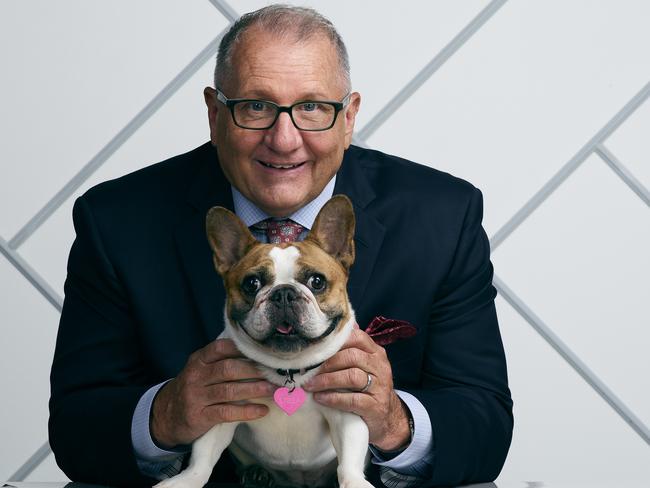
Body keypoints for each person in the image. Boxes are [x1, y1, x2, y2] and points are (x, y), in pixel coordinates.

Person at [49, 5, 513, 487]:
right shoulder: (117, 221)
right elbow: (76, 424)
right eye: (256, 106)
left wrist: (394, 420)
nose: (285, 139)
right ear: (214, 113)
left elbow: (485, 422)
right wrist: (165, 414)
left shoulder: (442, 216)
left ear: (349, 116)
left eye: (313, 107)